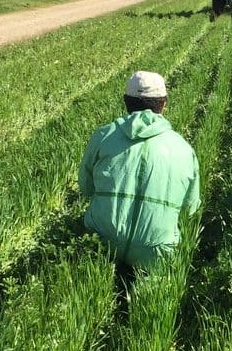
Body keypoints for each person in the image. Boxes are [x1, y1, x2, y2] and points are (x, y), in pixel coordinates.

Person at [78, 71, 200, 270]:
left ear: (126, 101)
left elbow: (86, 187)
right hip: (156, 251)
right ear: (164, 104)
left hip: (101, 241)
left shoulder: (103, 135)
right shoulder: (184, 149)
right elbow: (190, 208)